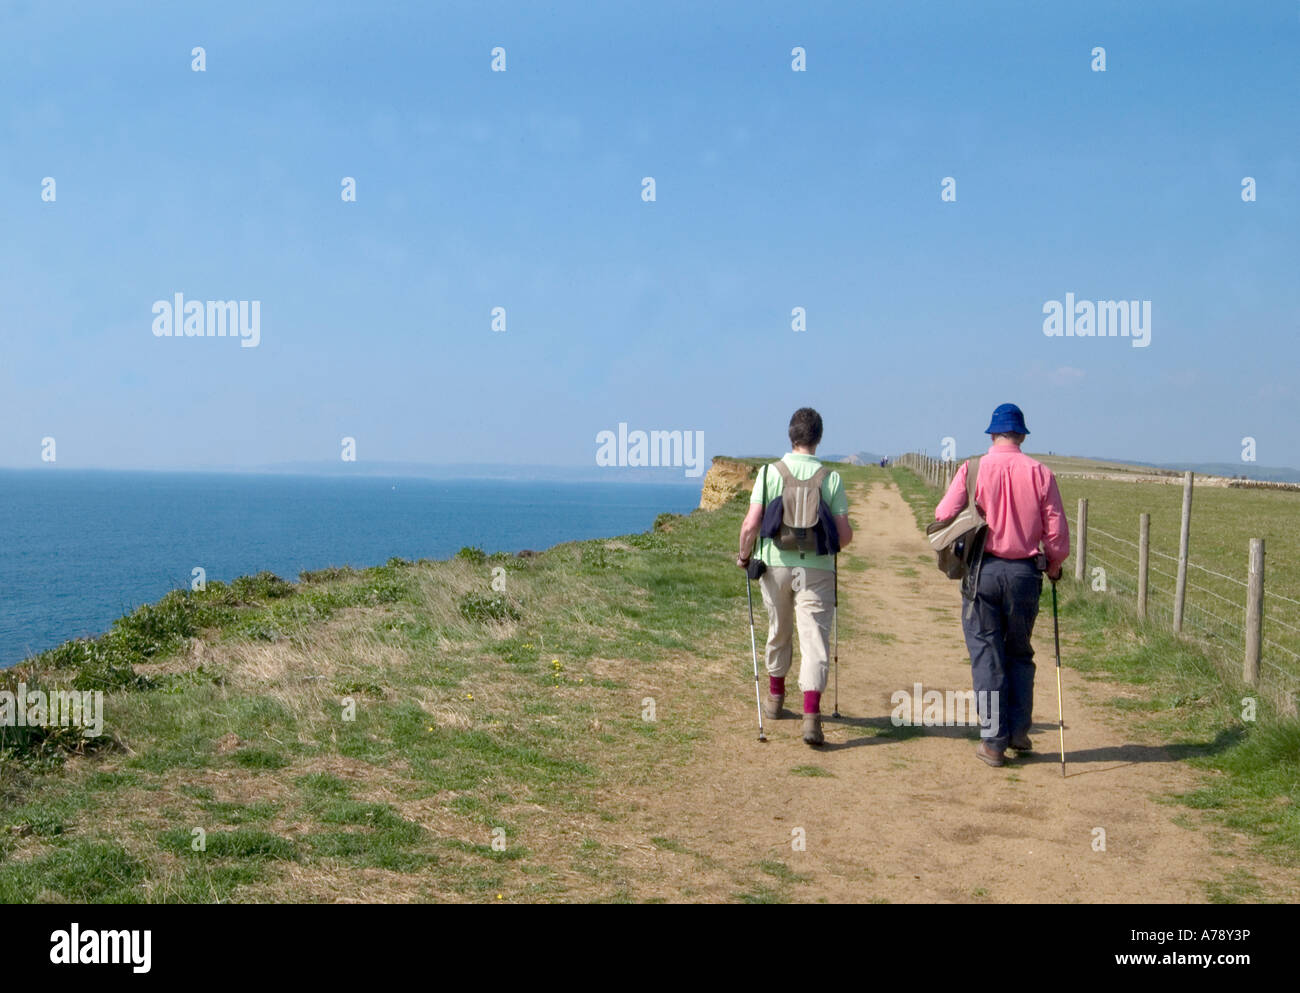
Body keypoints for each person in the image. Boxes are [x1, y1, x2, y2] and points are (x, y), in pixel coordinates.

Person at [934, 403, 1069, 767]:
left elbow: (943, 514)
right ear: (1021, 435)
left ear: (992, 434)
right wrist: (1054, 565)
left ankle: (994, 742)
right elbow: (1055, 534)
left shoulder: (973, 468)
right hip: (1026, 574)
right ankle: (1019, 730)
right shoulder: (1041, 473)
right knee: (1020, 653)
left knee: (986, 655)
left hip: (983, 572)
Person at [737, 408, 853, 746]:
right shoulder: (830, 479)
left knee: (779, 629)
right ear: (818, 439)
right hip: (816, 569)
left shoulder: (770, 473)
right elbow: (844, 536)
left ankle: (775, 700)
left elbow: (750, 524)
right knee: (814, 640)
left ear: (791, 436)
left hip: (775, 566)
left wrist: (744, 556)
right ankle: (811, 718)